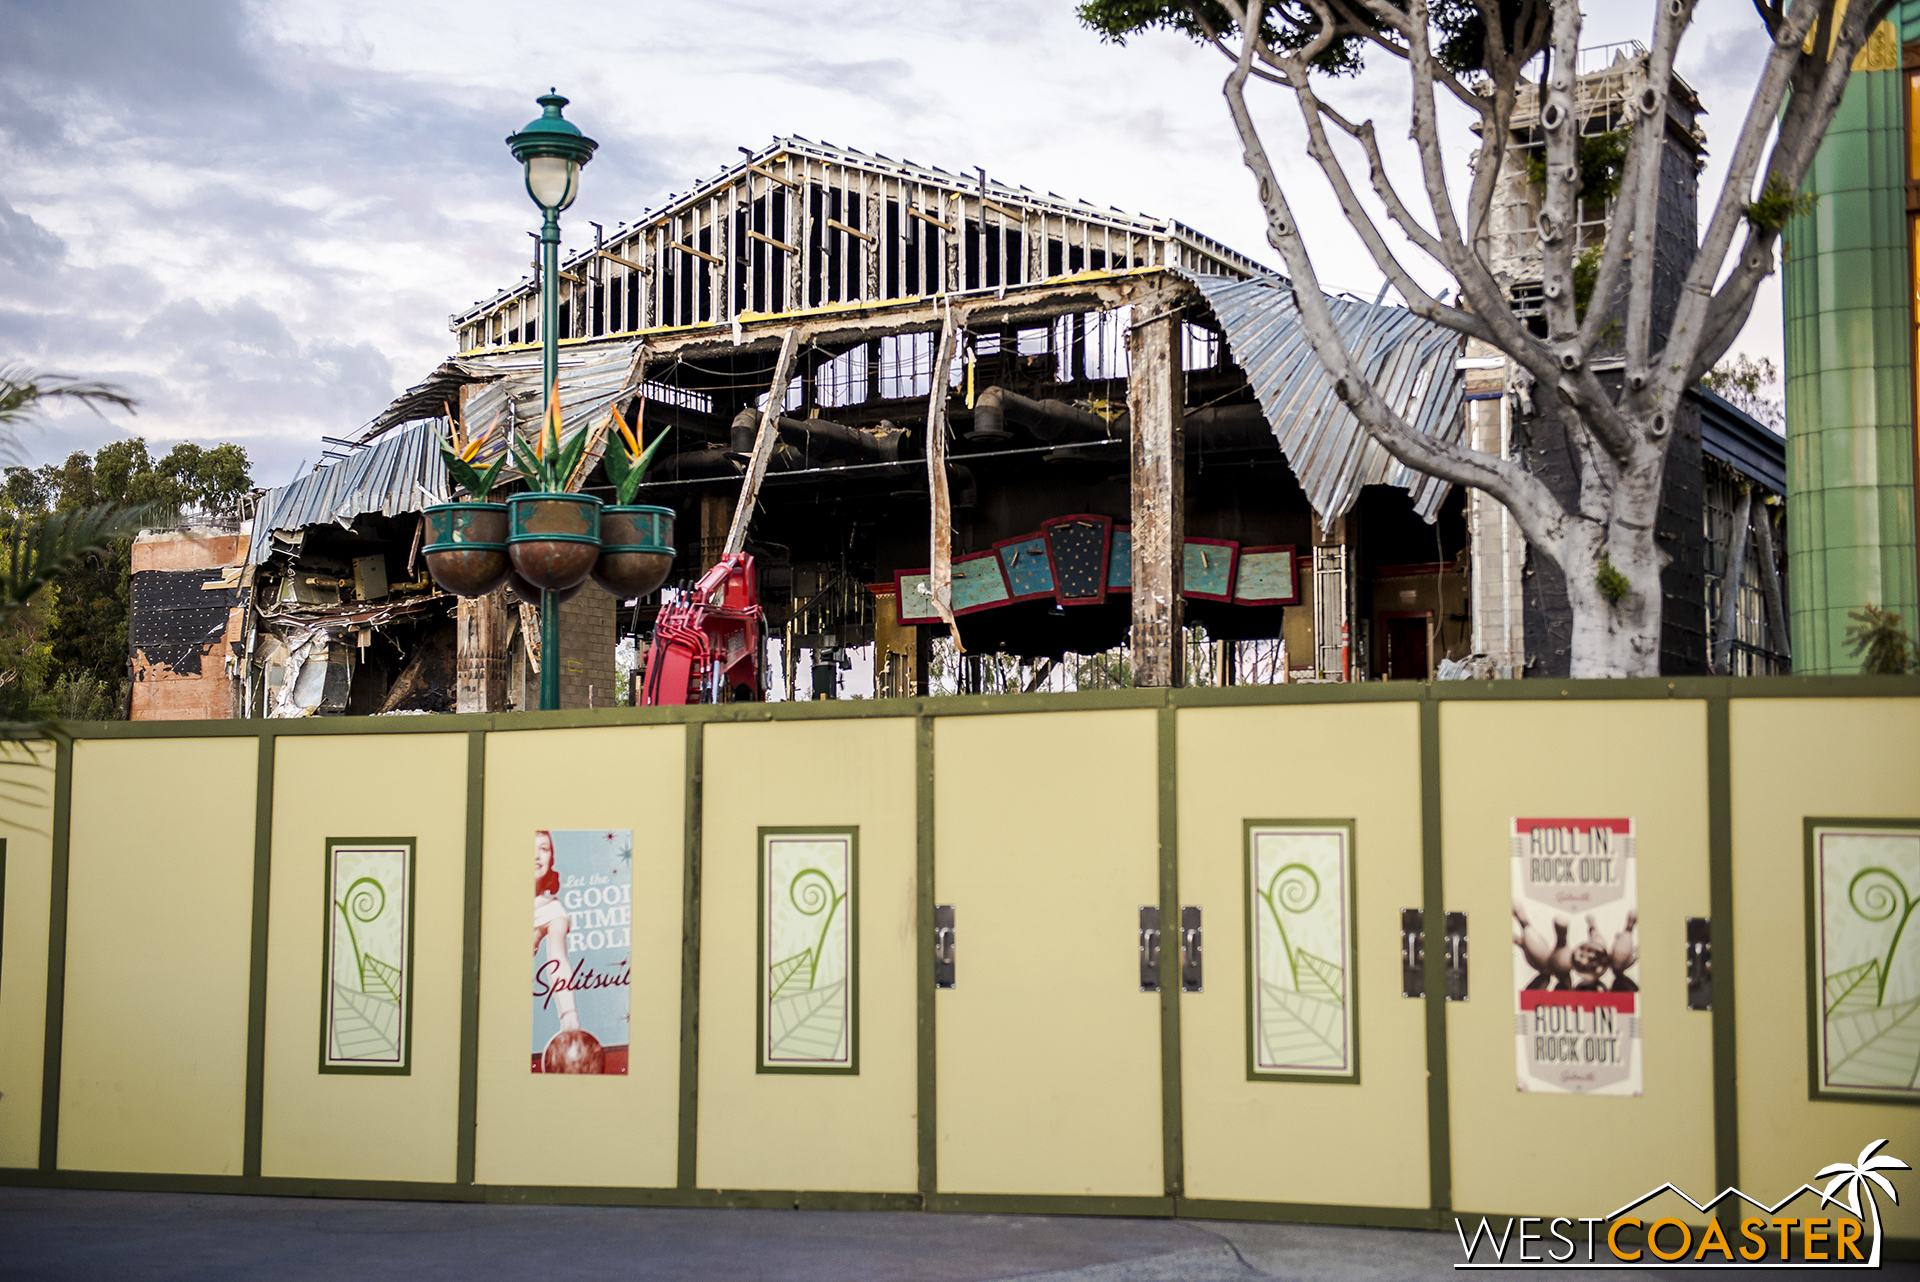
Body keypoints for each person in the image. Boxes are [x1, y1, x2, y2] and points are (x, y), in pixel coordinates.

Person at [533, 830, 581, 1033]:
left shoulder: (552, 909)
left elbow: (557, 960)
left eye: (543, 849)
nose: (536, 855)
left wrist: (568, 1015)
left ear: (551, 858)